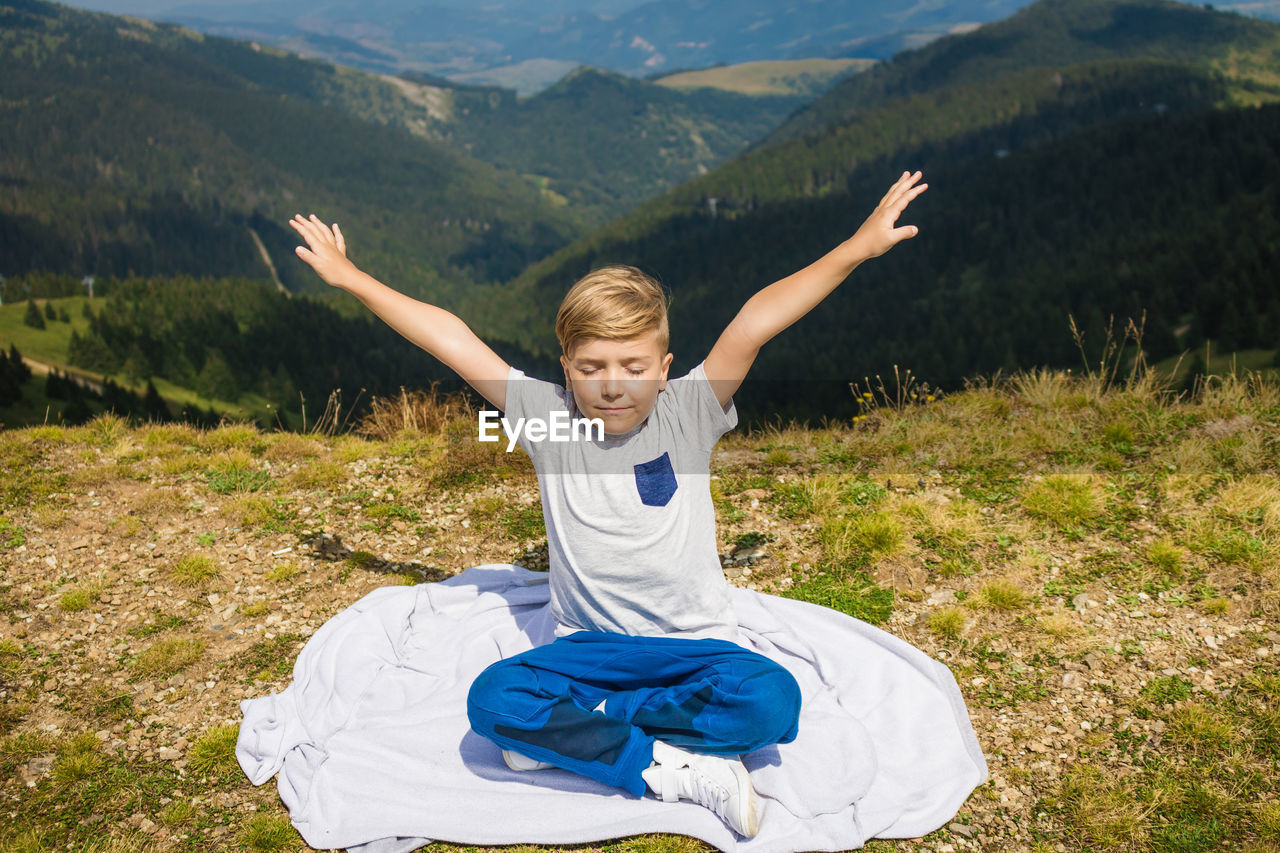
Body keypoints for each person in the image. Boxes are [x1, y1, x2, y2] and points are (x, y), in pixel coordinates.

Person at [288, 169, 928, 838]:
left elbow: (754, 322)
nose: (612, 385)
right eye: (591, 367)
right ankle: (667, 766)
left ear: (664, 365)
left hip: (693, 646)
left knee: (774, 702)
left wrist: (856, 247)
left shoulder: (690, 412)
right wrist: (353, 277)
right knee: (490, 700)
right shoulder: (543, 418)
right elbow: (450, 340)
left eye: (632, 365)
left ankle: (580, 734)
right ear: (566, 368)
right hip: (587, 649)